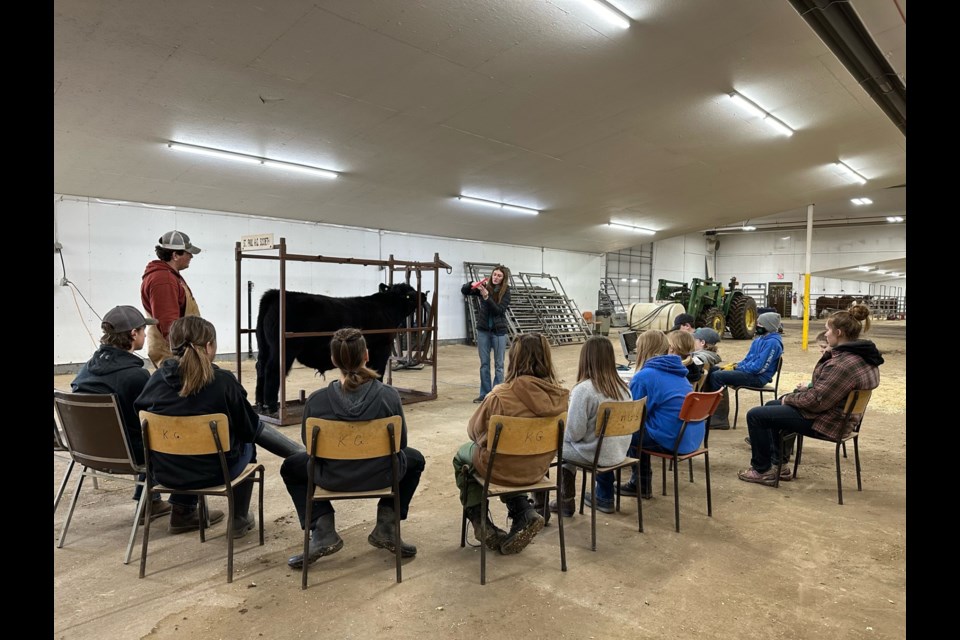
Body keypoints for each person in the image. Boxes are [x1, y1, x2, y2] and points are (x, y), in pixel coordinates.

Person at [135, 316, 304, 535]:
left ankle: (182, 512)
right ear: (209, 346)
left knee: (183, 447)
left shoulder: (156, 379)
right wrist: (299, 453)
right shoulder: (223, 381)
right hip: (215, 473)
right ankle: (239, 519)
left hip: (165, 472)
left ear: (172, 345)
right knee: (246, 443)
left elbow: (140, 418)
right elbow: (251, 430)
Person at [281, 328, 426, 569]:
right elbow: (401, 445)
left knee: (291, 467)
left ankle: (322, 526)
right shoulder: (389, 396)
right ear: (366, 355)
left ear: (333, 360)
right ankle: (387, 524)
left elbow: (309, 448)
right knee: (415, 459)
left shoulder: (316, 401)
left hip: (331, 478)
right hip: (382, 474)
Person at [738, 304, 883, 486]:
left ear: (838, 332)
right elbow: (825, 393)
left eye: (827, 330)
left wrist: (788, 399)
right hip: (843, 417)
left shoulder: (842, 364)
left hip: (829, 422)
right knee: (771, 408)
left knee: (756, 415)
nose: (826, 334)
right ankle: (779, 466)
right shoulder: (866, 358)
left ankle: (762, 470)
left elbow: (815, 401)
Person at [454, 333, 569, 555]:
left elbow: (473, 432)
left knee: (463, 458)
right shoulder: (560, 397)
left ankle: (480, 521)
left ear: (513, 358)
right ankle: (523, 511)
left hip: (500, 470)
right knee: (510, 459)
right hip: (537, 470)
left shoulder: (500, 396)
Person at [71, 305, 172, 521]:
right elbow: (155, 420)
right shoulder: (135, 376)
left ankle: (150, 501)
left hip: (86, 450)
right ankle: (184, 506)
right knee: (169, 435)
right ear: (133, 334)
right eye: (144, 330)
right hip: (128, 454)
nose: (146, 334)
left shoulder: (85, 371)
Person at [549, 336, 632, 517]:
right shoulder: (625, 389)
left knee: (555, 444)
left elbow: (574, 434)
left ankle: (564, 500)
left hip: (597, 455)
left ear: (585, 359)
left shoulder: (584, 390)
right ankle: (578, 499)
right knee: (570, 445)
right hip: (619, 452)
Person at [619, 330, 700, 500]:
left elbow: (631, 415)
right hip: (690, 437)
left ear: (643, 350)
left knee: (622, 433)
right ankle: (640, 482)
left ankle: (630, 486)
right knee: (640, 430)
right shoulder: (679, 372)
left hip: (671, 440)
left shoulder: (645, 376)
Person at [141, 230, 202, 368]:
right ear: (175, 255)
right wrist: (182, 353)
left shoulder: (169, 275)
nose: (191, 256)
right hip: (173, 352)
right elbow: (169, 322)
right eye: (188, 252)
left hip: (177, 348)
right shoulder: (164, 279)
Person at [461, 265, 511, 403]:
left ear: (503, 279)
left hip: (499, 332)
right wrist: (471, 284)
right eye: (494, 274)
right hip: (483, 331)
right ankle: (484, 394)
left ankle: (497, 395)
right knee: (484, 364)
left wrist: (486, 296)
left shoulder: (506, 291)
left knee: (499, 366)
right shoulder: (485, 287)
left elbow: (499, 311)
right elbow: (464, 291)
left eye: (499, 276)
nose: (496, 277)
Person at [704, 312, 783, 393]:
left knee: (717, 376)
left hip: (759, 378)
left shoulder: (773, 343)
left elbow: (758, 368)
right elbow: (747, 359)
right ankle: (708, 400)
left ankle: (717, 404)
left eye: (760, 324)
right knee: (713, 370)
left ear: (768, 326)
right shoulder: (759, 340)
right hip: (750, 373)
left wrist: (736, 368)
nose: (757, 325)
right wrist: (735, 365)